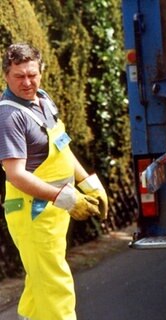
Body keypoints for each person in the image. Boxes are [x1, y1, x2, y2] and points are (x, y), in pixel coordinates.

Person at [0, 43, 109, 320]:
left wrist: (88, 182)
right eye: (19, 76)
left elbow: (61, 146)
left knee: (41, 282)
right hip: (32, 214)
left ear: (41, 71)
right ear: (6, 76)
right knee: (55, 285)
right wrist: (66, 198)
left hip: (52, 211)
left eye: (32, 75)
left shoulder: (43, 100)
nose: (27, 82)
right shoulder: (9, 116)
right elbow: (16, 174)